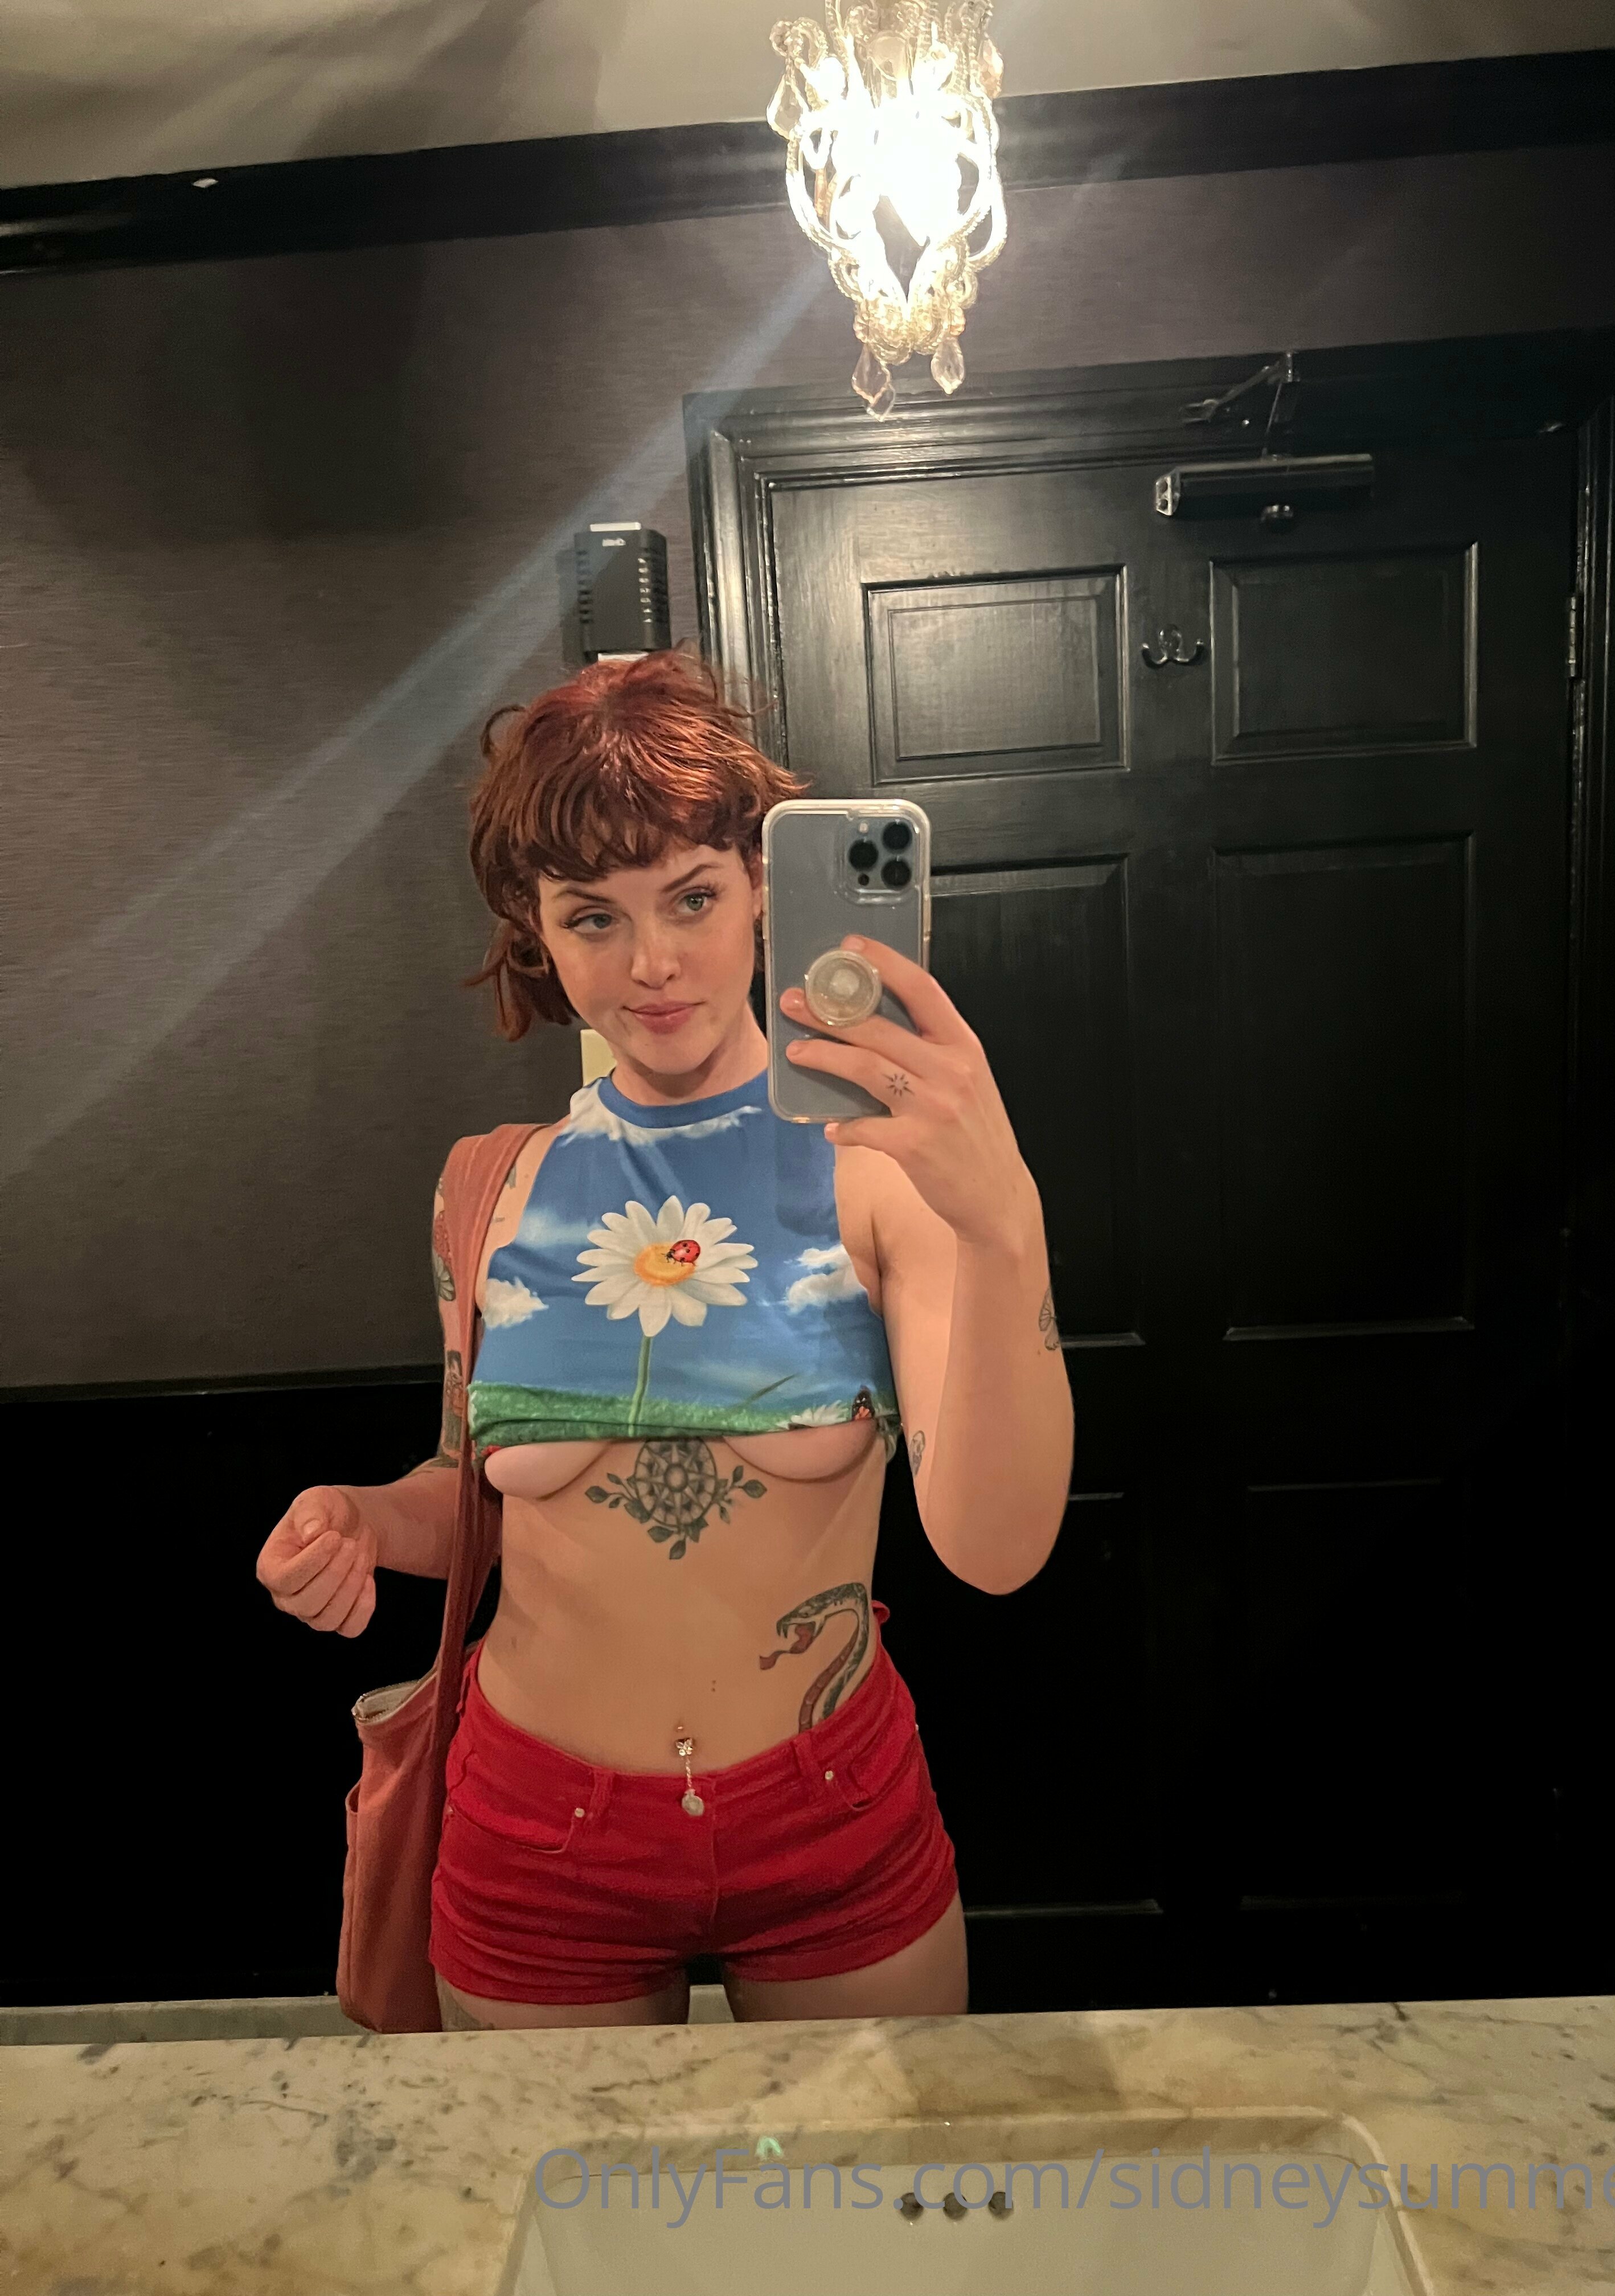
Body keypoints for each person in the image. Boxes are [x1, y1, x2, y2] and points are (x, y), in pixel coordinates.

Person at [256, 650, 1072, 2028]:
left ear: (761, 884)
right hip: (536, 1830)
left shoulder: (881, 1173)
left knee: (863, 2179)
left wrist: (1002, 1223)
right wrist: (365, 1520)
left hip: (829, 1812)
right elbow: (472, 1491)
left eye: (692, 896)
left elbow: (996, 1552)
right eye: (594, 916)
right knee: (566, 2177)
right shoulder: (488, 1189)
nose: (652, 963)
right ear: (538, 930)